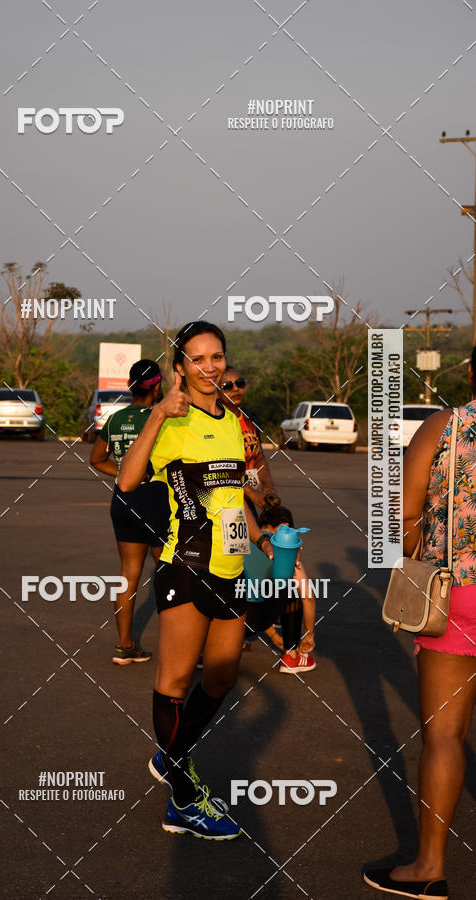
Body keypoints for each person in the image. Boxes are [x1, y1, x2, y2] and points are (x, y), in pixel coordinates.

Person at [118, 321, 273, 840]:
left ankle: (171, 758)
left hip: (229, 570)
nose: (210, 367)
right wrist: (158, 413)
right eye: (198, 358)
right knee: (175, 682)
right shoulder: (171, 420)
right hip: (184, 565)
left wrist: (264, 539)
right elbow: (127, 479)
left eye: (217, 357)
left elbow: (233, 495)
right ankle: (184, 795)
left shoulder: (233, 421)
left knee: (222, 678)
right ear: (179, 367)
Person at [364, 354, 476, 899]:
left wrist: (412, 549)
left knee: (446, 736)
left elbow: (401, 515)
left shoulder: (445, 425)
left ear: (473, 375)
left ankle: (428, 867)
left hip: (454, 594)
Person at [90, 359, 168, 665]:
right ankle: (183, 647)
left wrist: (124, 473)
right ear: (157, 385)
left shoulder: (116, 418)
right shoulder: (163, 418)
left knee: (128, 574)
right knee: (168, 571)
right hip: (156, 498)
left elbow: (97, 459)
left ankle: (125, 646)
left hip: (124, 499)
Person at [246, 505, 316, 673]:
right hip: (254, 619)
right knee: (293, 589)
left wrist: (272, 634)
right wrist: (309, 635)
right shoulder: (284, 548)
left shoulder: (242, 539)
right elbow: (308, 597)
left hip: (229, 621)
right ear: (285, 526)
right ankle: (291, 657)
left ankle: (205, 653)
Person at [217, 366, 280, 518]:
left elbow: (259, 458)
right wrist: (252, 495)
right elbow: (221, 468)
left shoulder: (250, 420)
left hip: (248, 497)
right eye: (228, 386)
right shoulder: (215, 422)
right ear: (216, 391)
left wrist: (268, 486)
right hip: (225, 499)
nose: (236, 389)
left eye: (240, 383)